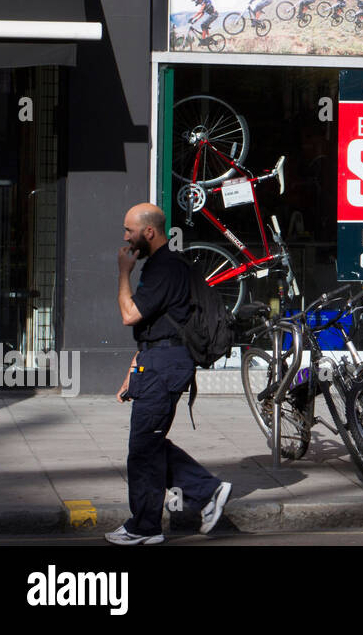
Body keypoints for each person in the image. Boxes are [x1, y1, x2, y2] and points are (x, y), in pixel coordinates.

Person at [107, 203, 231, 545]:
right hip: (157, 363)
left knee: (143, 448)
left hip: (164, 367)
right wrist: (132, 372)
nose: (125, 237)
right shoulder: (165, 266)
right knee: (149, 443)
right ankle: (206, 492)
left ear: (149, 232)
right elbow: (157, 328)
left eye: (129, 230)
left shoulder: (163, 268)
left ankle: (146, 526)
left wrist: (122, 273)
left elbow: (130, 315)